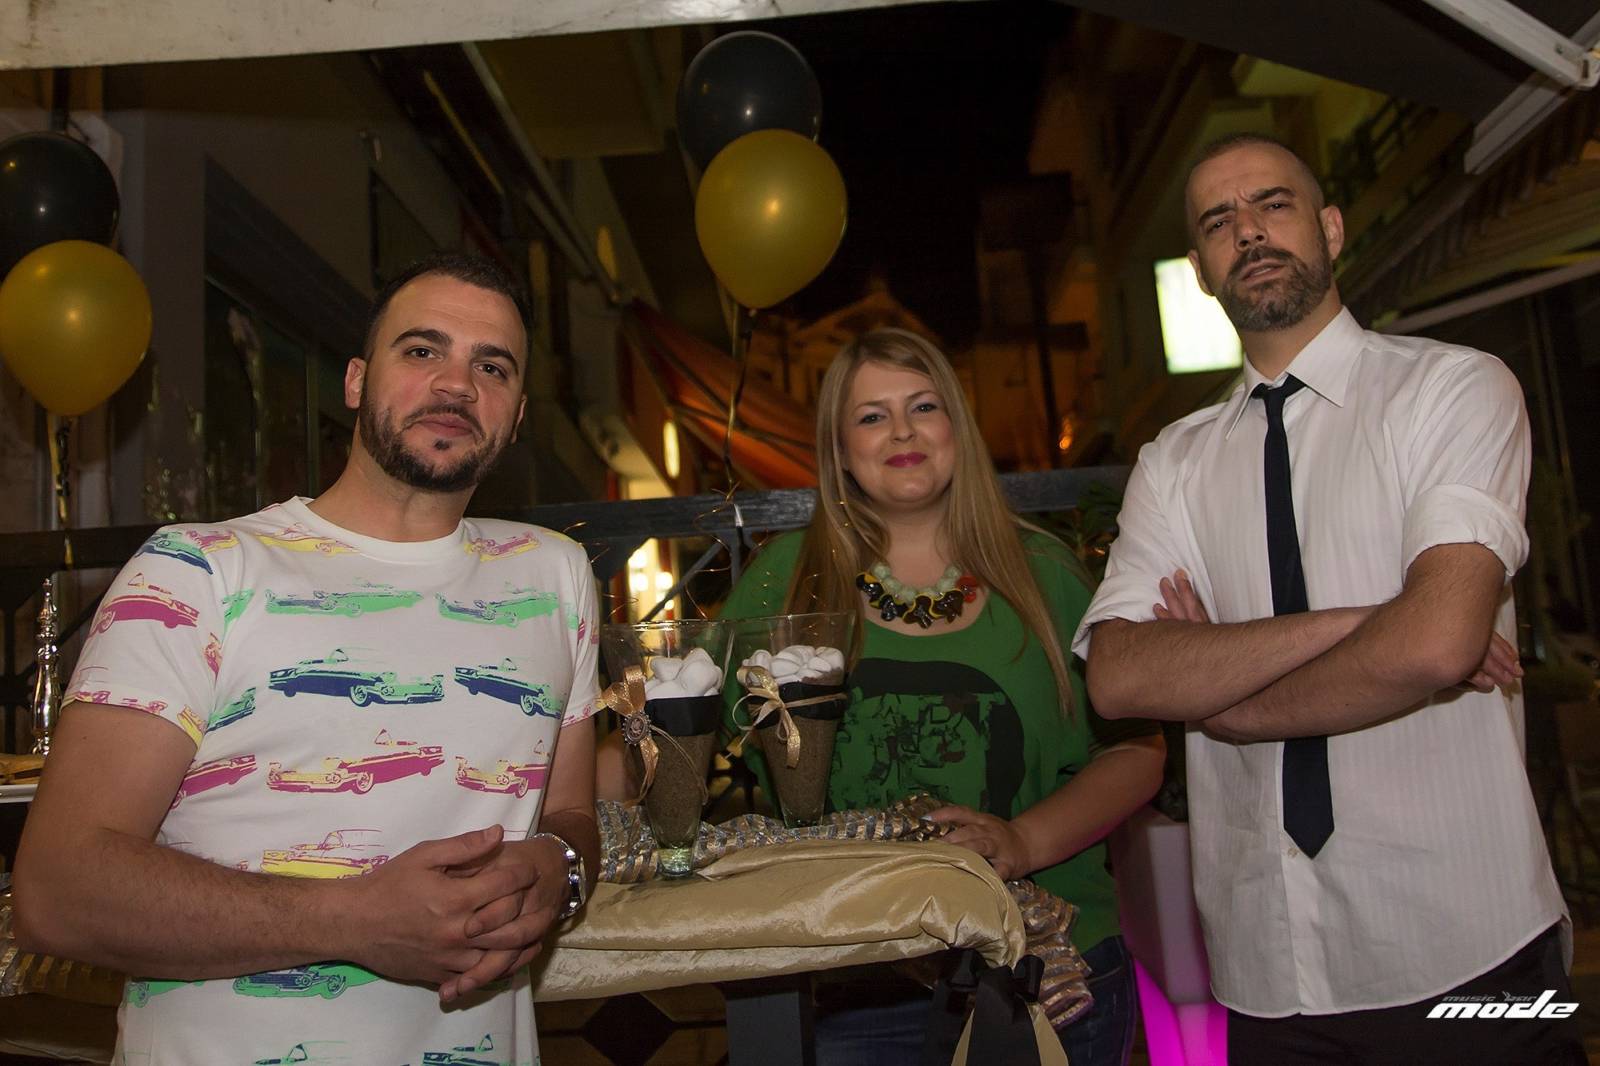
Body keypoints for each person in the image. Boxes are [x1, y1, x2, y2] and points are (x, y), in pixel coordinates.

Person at [14, 252, 601, 1064]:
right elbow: (57, 891)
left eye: (491, 366)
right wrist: (357, 921)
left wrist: (560, 871)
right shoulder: (198, 572)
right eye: (422, 350)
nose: (457, 385)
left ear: (518, 413)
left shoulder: (555, 576)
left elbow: (572, 815)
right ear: (355, 381)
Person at [1076, 133, 1580, 1065]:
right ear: (1200, 271)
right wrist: (1376, 617)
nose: (1248, 231)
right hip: (1267, 971)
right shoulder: (1172, 462)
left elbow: (1436, 647)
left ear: (1332, 228)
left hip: (1472, 948)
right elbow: (1119, 675)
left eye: (1274, 203)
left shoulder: (1453, 388)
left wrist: (1224, 702)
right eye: (1218, 221)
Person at [717, 328, 1166, 1066]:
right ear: (839, 450)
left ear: (957, 426)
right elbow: (671, 728)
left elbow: (1138, 753)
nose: (902, 431)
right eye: (871, 416)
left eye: (923, 406)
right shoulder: (787, 582)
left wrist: (1022, 843)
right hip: (858, 983)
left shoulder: (1044, 573)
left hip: (1048, 970)